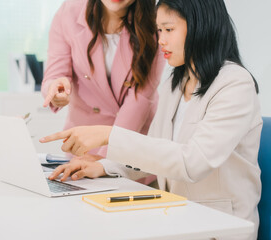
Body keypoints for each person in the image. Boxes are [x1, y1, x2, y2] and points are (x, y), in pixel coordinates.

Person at [40, 0, 262, 239]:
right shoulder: (176, 83)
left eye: (168, 30)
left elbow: (192, 163)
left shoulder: (235, 84)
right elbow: (153, 151)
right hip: (179, 219)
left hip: (220, 226)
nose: (160, 40)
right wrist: (103, 165)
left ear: (201, 26)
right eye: (158, 30)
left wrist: (109, 135)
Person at [41, 0, 165, 162]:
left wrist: (103, 159)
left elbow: (140, 100)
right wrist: (55, 89)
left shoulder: (155, 22)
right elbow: (55, 73)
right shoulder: (69, 12)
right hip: (83, 147)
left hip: (132, 145)